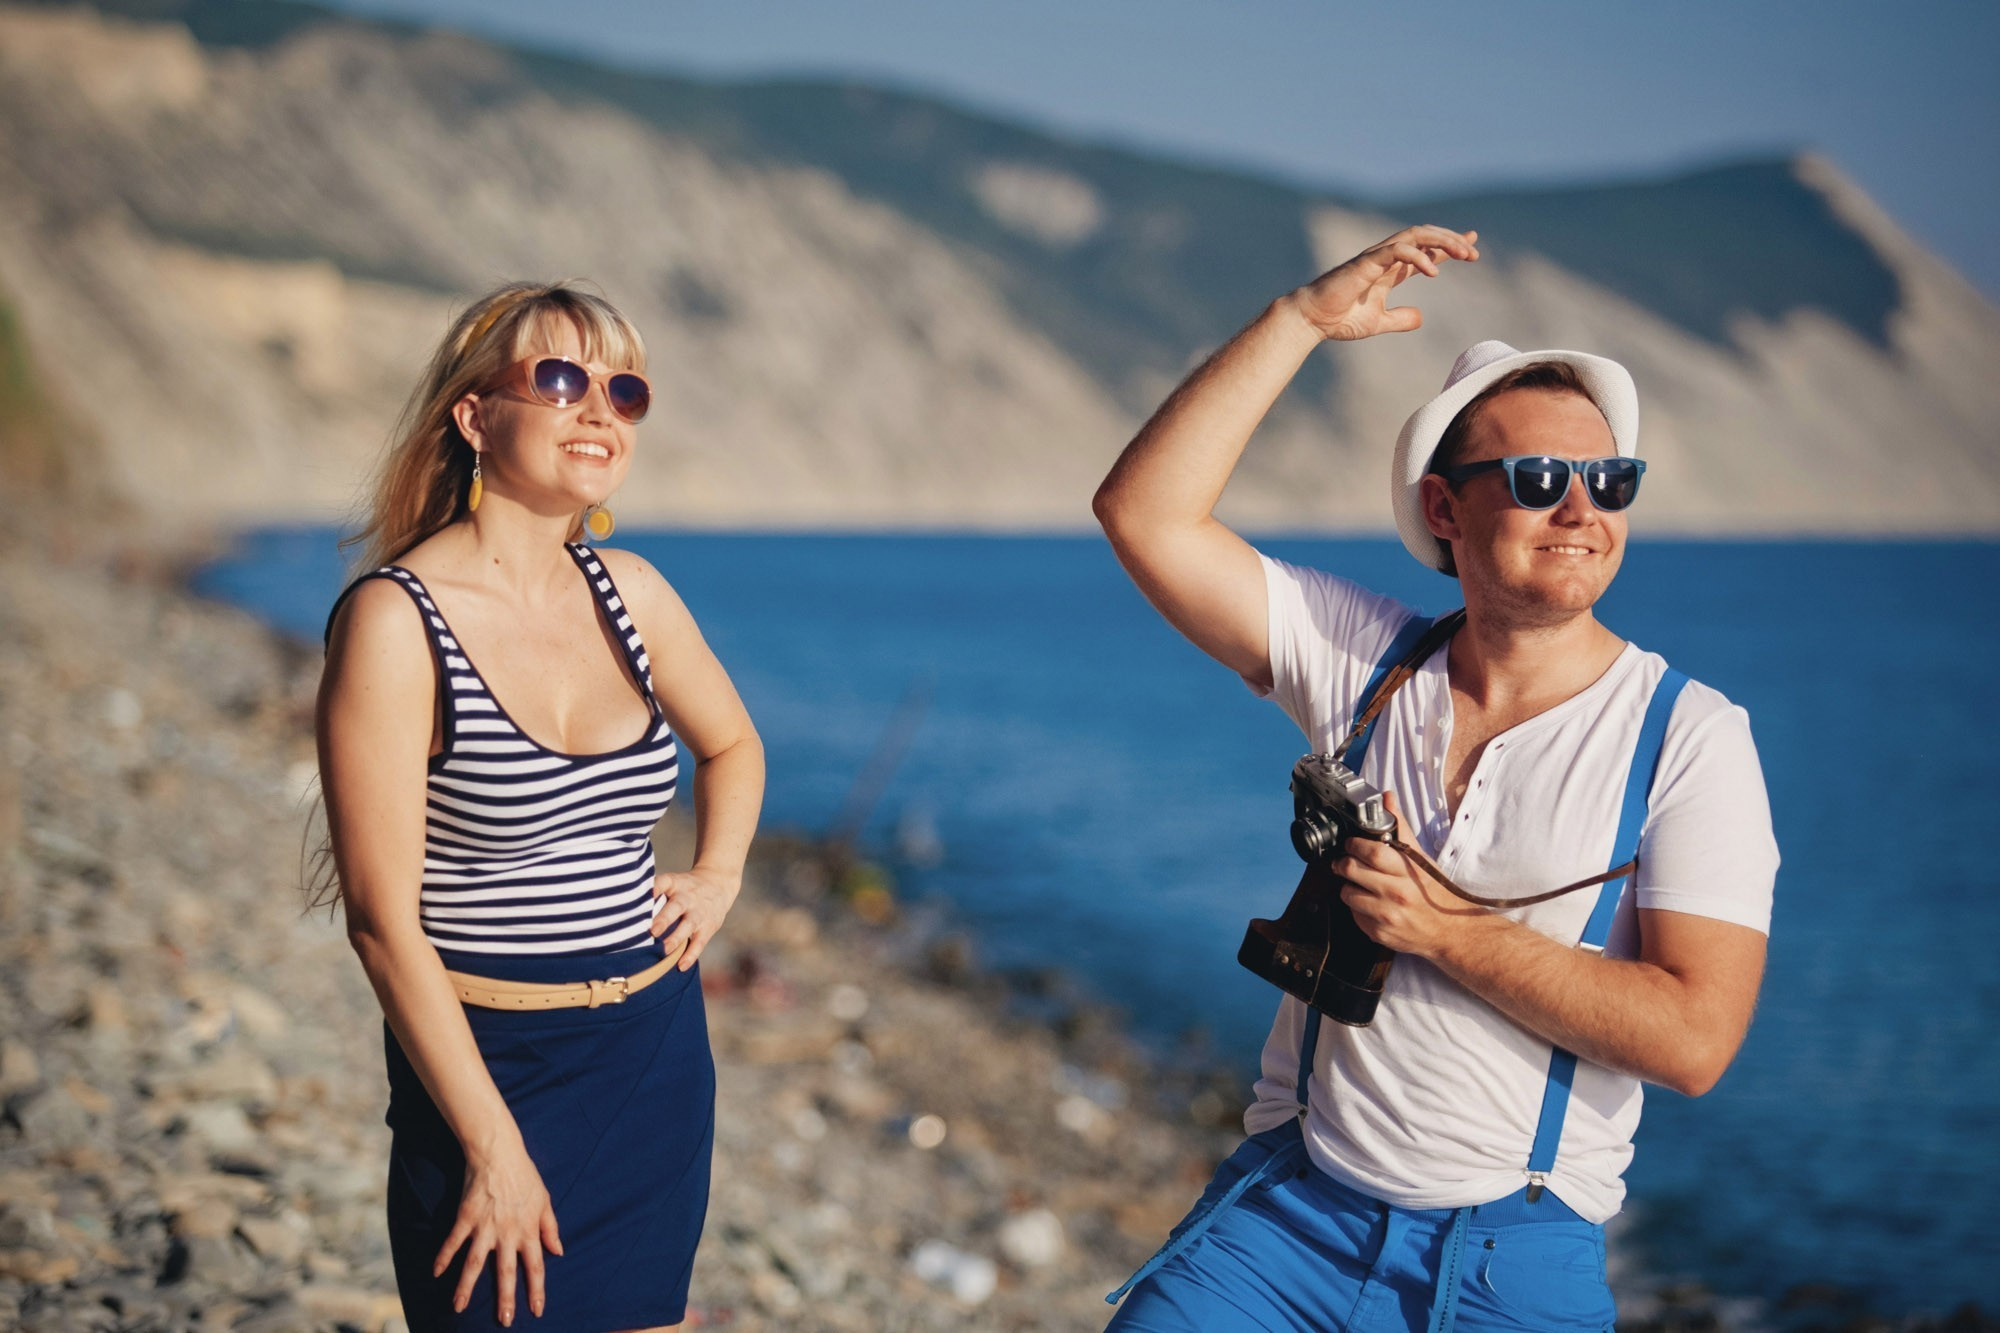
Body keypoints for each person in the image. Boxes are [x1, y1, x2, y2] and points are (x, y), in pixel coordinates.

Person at [1092, 226, 1778, 1331]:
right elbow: (1144, 514)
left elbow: (1694, 1040)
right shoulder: (1366, 660)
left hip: (1511, 1257)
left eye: (1610, 479)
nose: (1581, 509)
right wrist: (1299, 321)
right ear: (1444, 508)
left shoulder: (1687, 736)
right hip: (1285, 1217)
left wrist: (1449, 929)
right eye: (1538, 478)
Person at [315, 283, 764, 1332]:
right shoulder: (396, 622)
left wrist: (719, 872)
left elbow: (733, 745)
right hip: (484, 1065)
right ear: (474, 417)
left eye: (624, 388)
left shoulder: (634, 595)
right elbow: (382, 925)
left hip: (652, 1055)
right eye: (560, 379)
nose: (599, 409)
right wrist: (490, 1145)